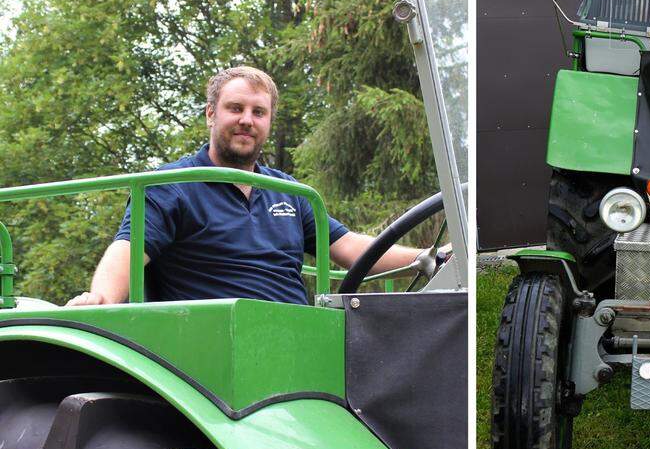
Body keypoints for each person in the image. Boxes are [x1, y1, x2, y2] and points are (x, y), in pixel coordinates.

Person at [65, 65, 432, 306]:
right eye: (235, 108)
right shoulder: (172, 186)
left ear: (269, 121)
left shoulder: (292, 193)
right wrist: (100, 298)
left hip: (301, 337)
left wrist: (426, 257)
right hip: (214, 351)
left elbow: (350, 246)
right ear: (211, 114)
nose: (246, 121)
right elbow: (128, 249)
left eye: (258, 112)